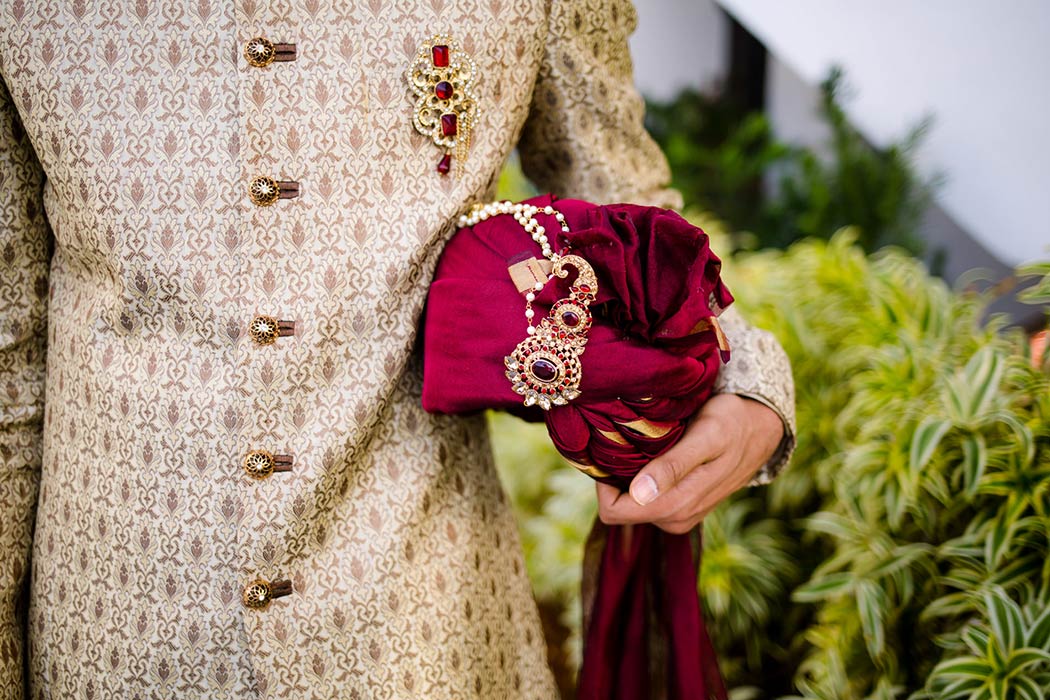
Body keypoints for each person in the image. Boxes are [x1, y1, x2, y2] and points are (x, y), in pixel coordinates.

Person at [0, 1, 794, 697]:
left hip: (424, 636)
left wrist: (749, 385)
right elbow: (8, 365)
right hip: (117, 643)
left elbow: (634, 224)